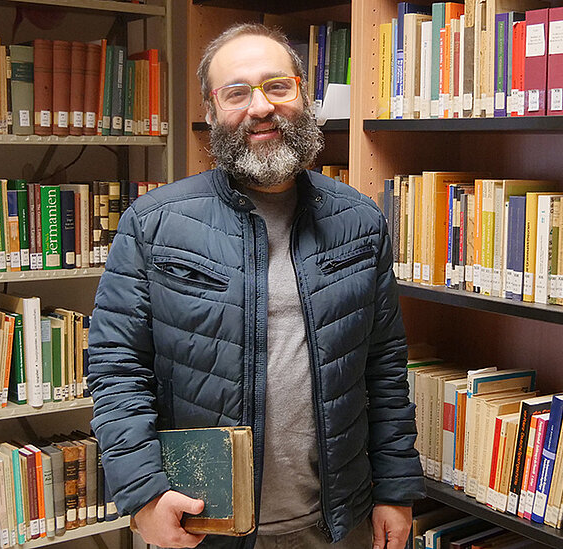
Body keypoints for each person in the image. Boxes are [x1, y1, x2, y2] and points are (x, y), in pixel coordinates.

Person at [86, 22, 424, 549]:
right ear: (210, 110)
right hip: (205, 523)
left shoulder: (360, 221)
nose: (261, 107)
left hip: (339, 523)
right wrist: (144, 495)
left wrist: (396, 488)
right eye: (236, 93)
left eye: (277, 86)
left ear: (304, 96)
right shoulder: (153, 224)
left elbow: (383, 368)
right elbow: (117, 369)